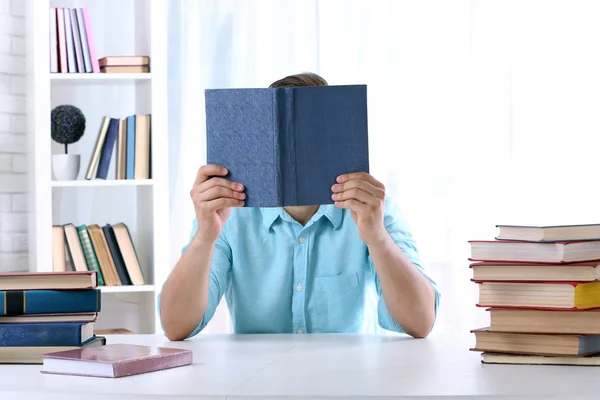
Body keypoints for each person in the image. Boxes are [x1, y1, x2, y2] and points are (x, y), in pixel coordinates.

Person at [158, 72, 440, 340]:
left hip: (349, 382)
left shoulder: (374, 210)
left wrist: (378, 239)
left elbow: (420, 322)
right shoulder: (228, 215)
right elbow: (175, 326)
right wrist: (204, 237)